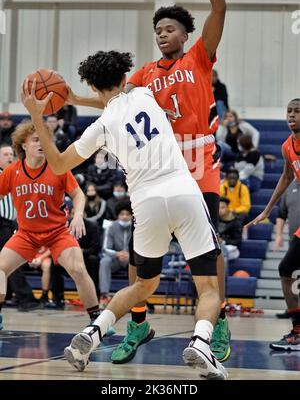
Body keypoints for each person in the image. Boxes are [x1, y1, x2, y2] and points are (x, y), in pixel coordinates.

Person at [64, 0, 230, 364]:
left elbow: (220, 7)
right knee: (143, 265)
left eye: (169, 28)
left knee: (208, 252)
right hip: (164, 162)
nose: (161, 34)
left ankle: (218, 322)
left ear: (184, 33)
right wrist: (70, 98)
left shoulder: (199, 56)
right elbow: (110, 98)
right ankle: (137, 322)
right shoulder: (142, 75)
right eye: (157, 29)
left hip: (200, 157)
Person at [22, 50, 228, 380]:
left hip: (145, 203)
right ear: (124, 78)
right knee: (207, 286)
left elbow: (58, 164)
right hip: (183, 190)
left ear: (91, 83)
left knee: (143, 285)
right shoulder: (146, 92)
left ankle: (91, 334)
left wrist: (37, 115)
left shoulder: (101, 127)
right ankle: (202, 343)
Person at [0, 121, 101, 331]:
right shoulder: (12, 171)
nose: (41, 144)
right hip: (26, 234)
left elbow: (78, 194)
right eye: (36, 140)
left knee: (78, 270)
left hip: (57, 232)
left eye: (44, 140)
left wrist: (79, 215)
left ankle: (97, 320)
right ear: (23, 145)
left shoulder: (58, 167)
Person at [247, 98, 300, 351]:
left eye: (297, 111)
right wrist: (266, 209)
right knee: (286, 268)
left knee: (287, 267)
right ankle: (297, 331)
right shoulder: (287, 146)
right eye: (289, 111)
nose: (291, 115)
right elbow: (286, 177)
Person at [0, 143, 40, 317]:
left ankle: (12, 296)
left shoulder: (15, 174)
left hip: (12, 223)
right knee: (9, 262)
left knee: (6, 263)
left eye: (11, 154)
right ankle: (25, 297)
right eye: (6, 154)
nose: (10, 157)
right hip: (1, 223)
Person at [274, 179, 300, 319]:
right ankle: (295, 310)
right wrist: (278, 235)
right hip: (294, 241)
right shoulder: (290, 187)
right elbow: (281, 214)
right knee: (292, 275)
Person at [99, 200, 132, 309]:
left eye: (127, 214)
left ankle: (137, 299)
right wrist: (117, 254)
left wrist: (130, 255)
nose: (124, 217)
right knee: (104, 261)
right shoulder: (111, 227)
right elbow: (105, 248)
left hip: (131, 260)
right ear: (118, 215)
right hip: (116, 259)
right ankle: (104, 296)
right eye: (122, 214)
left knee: (141, 263)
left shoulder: (137, 227)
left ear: (132, 216)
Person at [219, 197, 242, 264]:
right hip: (218, 247)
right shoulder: (215, 220)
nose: (220, 210)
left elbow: (237, 240)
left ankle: (223, 274)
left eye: (222, 207)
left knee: (222, 253)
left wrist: (223, 241)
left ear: (227, 208)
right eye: (218, 207)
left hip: (232, 249)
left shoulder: (235, 222)